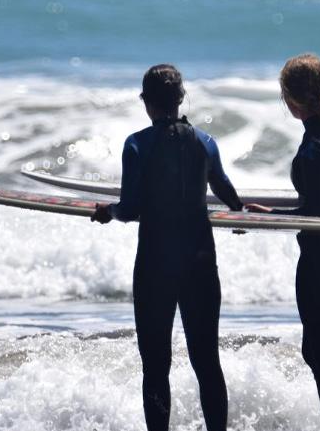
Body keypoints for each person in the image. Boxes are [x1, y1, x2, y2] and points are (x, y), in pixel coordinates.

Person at [91, 64, 243, 431]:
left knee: (156, 366)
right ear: (181, 99)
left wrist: (105, 212)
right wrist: (240, 213)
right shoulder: (205, 142)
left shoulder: (136, 145)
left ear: (146, 102)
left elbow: (129, 208)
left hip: (156, 266)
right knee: (206, 361)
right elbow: (223, 189)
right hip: (200, 263)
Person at [245, 54, 320, 431]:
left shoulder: (316, 144)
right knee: (317, 351)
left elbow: (312, 212)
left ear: (290, 100)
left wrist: (262, 217)